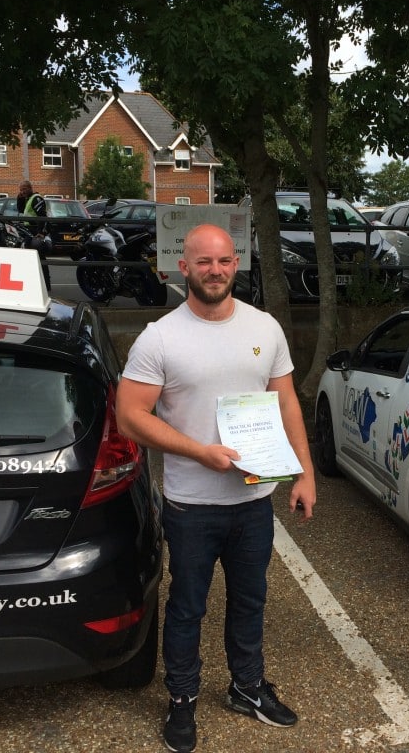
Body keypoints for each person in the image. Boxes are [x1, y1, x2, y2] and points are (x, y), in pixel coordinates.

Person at [115, 223, 316, 753]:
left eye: (224, 261)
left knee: (250, 602)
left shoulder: (265, 328)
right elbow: (130, 416)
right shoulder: (160, 337)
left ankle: (246, 687)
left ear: (237, 263)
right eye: (204, 262)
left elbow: (287, 402)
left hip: (253, 502)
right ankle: (181, 700)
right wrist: (198, 452)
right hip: (192, 505)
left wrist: (305, 472)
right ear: (183, 267)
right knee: (187, 606)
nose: (215, 271)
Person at [15, 180, 52, 291]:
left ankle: (46, 284)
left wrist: (41, 233)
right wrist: (19, 197)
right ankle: (36, 282)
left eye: (25, 189)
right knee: (31, 257)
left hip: (35, 231)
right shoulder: (28, 199)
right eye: (21, 190)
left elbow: (42, 216)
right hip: (29, 231)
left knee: (40, 257)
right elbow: (21, 210)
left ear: (31, 187)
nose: (23, 191)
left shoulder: (36, 198)